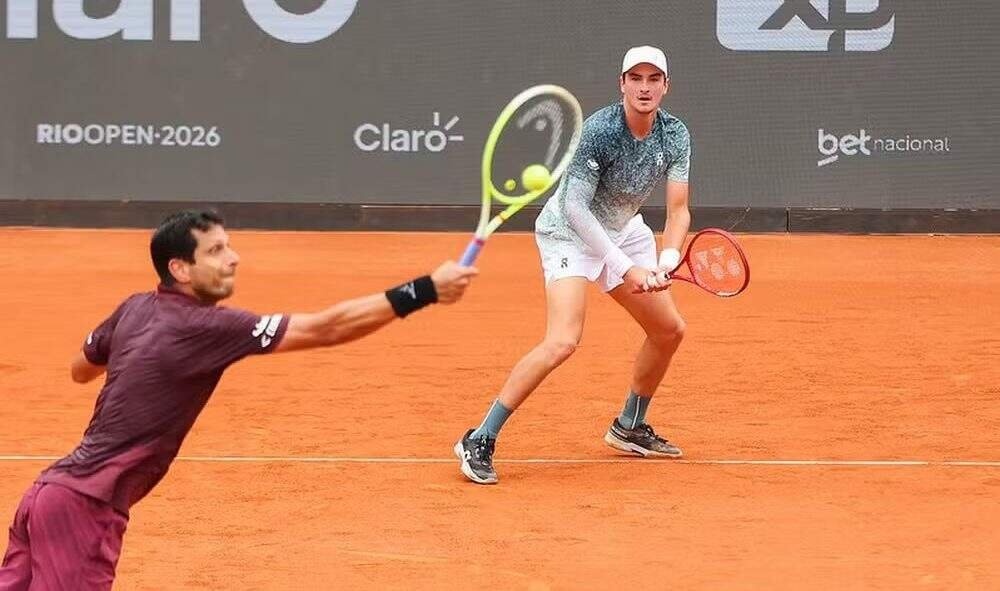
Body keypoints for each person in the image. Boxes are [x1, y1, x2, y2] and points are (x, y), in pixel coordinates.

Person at [0, 210, 478, 589]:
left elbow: (80, 369)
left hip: (44, 498)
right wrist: (426, 289)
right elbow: (327, 328)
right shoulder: (206, 327)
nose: (234, 258)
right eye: (217, 250)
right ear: (180, 268)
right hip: (86, 509)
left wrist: (142, 360)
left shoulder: (135, 307)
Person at [455, 46, 692, 484]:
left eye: (653, 79)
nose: (644, 87)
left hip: (623, 229)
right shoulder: (599, 131)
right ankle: (480, 436)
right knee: (563, 341)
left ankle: (629, 427)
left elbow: (678, 212)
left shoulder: (675, 134)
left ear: (665, 86)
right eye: (635, 78)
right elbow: (578, 210)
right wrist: (625, 267)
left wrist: (666, 259)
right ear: (621, 84)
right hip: (569, 232)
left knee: (668, 330)